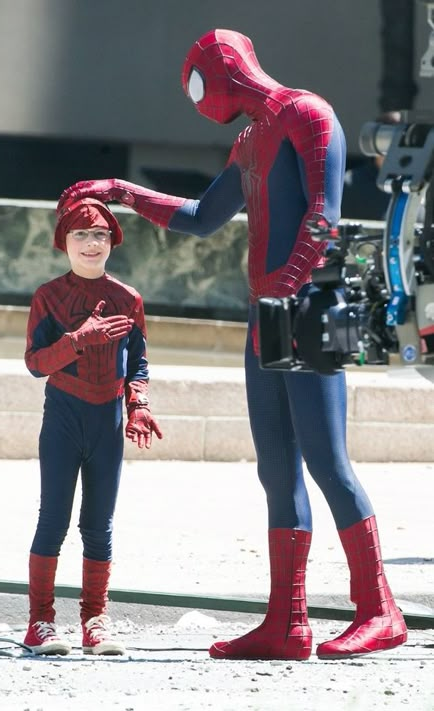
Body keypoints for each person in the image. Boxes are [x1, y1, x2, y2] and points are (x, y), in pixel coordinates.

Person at [58, 29, 407, 660]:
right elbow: (202, 215)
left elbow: (325, 216)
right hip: (267, 318)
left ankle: (380, 609)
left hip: (300, 313)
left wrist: (286, 294)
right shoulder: (250, 138)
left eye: (196, 84)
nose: (196, 99)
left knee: (327, 461)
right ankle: (288, 621)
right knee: (276, 468)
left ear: (221, 69)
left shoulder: (306, 112)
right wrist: (120, 190)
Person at [23, 196, 163, 655]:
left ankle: (95, 620)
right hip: (63, 418)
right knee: (52, 520)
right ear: (64, 241)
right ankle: (40, 621)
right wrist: (77, 340)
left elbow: (138, 360)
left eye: (100, 234)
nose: (91, 243)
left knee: (99, 526)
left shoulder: (129, 299)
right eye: (80, 234)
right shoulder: (48, 296)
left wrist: (138, 402)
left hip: (108, 422)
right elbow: (35, 364)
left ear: (112, 243)